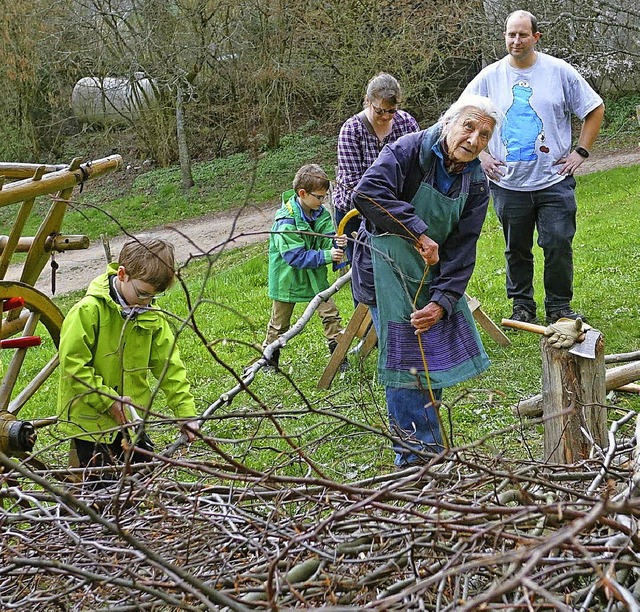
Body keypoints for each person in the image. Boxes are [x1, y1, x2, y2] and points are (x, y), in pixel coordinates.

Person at [353, 94, 502, 468]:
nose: (474, 139)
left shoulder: (476, 183)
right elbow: (368, 193)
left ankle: (431, 449)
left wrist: (442, 301)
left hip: (429, 273)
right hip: (383, 267)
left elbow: (463, 248)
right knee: (406, 359)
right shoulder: (409, 150)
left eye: (484, 135)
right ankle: (415, 460)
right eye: (469, 126)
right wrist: (418, 232)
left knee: (427, 352)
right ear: (448, 121)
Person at [463, 10, 604, 325]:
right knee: (517, 250)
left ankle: (559, 307)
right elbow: (461, 114)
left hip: (554, 181)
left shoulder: (558, 71)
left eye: (523, 34)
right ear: (505, 36)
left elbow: (594, 109)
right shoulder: (490, 77)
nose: (516, 40)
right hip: (508, 184)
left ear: (536, 37)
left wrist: (580, 151)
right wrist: (481, 156)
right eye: (511, 34)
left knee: (557, 243)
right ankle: (522, 306)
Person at [57, 238, 199, 479]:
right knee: (101, 492)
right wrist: (109, 401)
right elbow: (73, 366)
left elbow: (169, 368)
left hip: (132, 422)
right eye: (142, 293)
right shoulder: (88, 311)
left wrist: (185, 412)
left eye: (153, 297)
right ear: (122, 274)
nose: (146, 302)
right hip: (92, 425)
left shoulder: (152, 317)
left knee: (142, 482)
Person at [263, 164, 347, 372]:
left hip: (315, 275)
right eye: (319, 197)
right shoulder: (285, 221)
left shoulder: (321, 213)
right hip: (288, 279)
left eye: (324, 197)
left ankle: (339, 359)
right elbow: (294, 256)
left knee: (330, 314)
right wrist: (327, 255)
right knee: (279, 323)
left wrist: (337, 244)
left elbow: (327, 238)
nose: (322, 201)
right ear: (302, 193)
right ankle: (268, 360)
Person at [334, 72, 420, 264]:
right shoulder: (352, 130)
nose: (386, 116)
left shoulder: (406, 124)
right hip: (355, 212)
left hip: (396, 209)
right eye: (380, 111)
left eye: (392, 111)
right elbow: (353, 187)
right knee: (364, 272)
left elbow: (417, 168)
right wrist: (386, 205)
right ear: (368, 101)